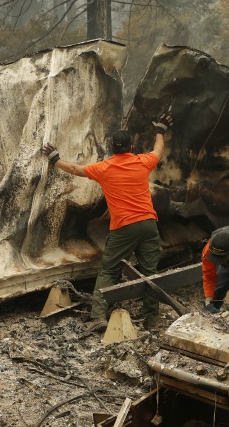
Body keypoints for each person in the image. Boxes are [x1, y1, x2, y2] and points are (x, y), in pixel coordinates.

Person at [41, 114, 173, 332]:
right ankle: (152, 320)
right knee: (150, 273)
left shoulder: (104, 168)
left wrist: (55, 158)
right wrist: (160, 129)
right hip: (149, 224)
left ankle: (99, 316)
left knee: (109, 271)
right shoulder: (142, 162)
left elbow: (75, 170)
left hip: (124, 227)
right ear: (131, 147)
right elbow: (158, 150)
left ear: (112, 147)